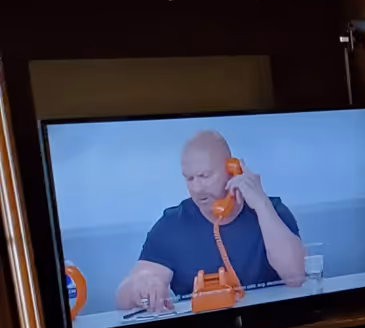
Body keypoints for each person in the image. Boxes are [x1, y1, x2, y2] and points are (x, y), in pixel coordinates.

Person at [114, 131, 306, 313]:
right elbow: (123, 299)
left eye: (205, 176)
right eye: (189, 178)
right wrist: (142, 285)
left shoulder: (272, 211)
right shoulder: (171, 225)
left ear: (232, 170)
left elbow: (295, 276)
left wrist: (262, 205)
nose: (197, 188)